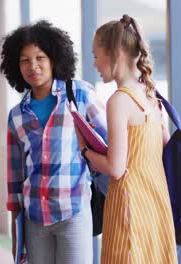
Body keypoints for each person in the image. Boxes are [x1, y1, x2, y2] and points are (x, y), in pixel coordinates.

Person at [0, 20, 108, 264]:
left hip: (74, 211)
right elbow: (15, 176)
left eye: (40, 57)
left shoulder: (79, 94)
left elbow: (111, 142)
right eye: (24, 60)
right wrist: (17, 233)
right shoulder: (16, 115)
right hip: (34, 218)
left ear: (54, 59)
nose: (32, 66)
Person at [76, 14, 177, 263]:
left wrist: (84, 149)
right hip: (156, 204)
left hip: (129, 207)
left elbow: (116, 167)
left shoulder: (119, 100)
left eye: (96, 55)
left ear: (114, 54)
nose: (95, 65)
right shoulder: (152, 97)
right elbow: (161, 151)